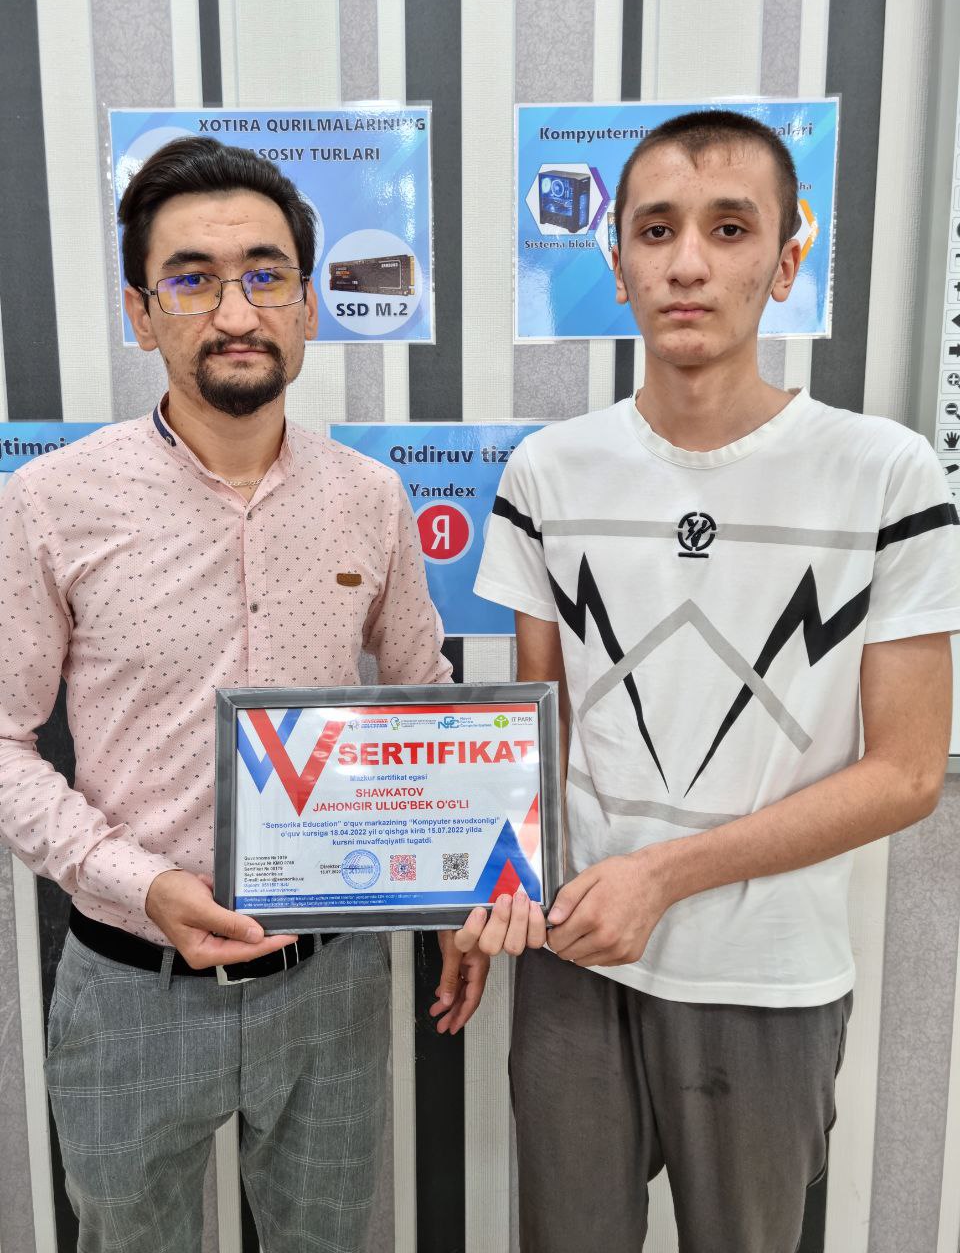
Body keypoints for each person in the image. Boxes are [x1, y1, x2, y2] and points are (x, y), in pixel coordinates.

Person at [466, 109, 960, 1251]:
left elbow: (904, 774)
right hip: (576, 958)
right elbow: (536, 722)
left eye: (730, 228)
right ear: (618, 265)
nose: (688, 262)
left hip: (768, 977)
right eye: (657, 230)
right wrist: (491, 875)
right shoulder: (547, 471)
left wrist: (662, 875)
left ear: (786, 262)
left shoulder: (885, 473)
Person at [0, 136, 487, 1253]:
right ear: (141, 313)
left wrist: (470, 885)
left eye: (266, 277)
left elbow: (430, 703)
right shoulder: (51, 502)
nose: (235, 312)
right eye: (192, 279)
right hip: (129, 984)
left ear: (308, 307)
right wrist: (138, 879)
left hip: (330, 987)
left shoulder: (371, 498)